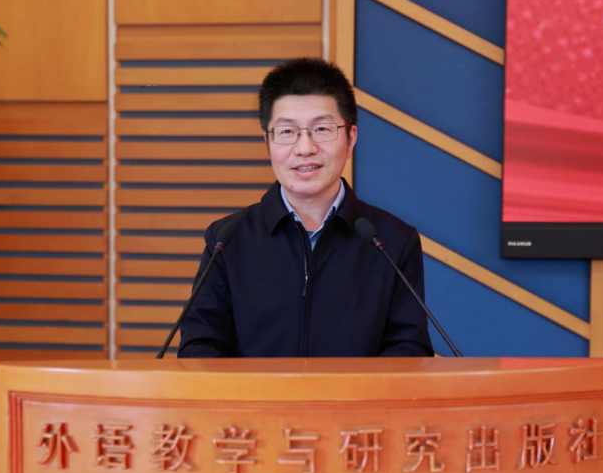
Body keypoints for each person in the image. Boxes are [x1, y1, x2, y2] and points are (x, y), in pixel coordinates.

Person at [178, 57, 433, 358]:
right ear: (267, 142)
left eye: (322, 129)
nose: (305, 148)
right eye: (287, 132)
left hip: (358, 392)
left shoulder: (392, 241)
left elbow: (408, 349)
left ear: (351, 138)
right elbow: (200, 347)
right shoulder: (227, 239)